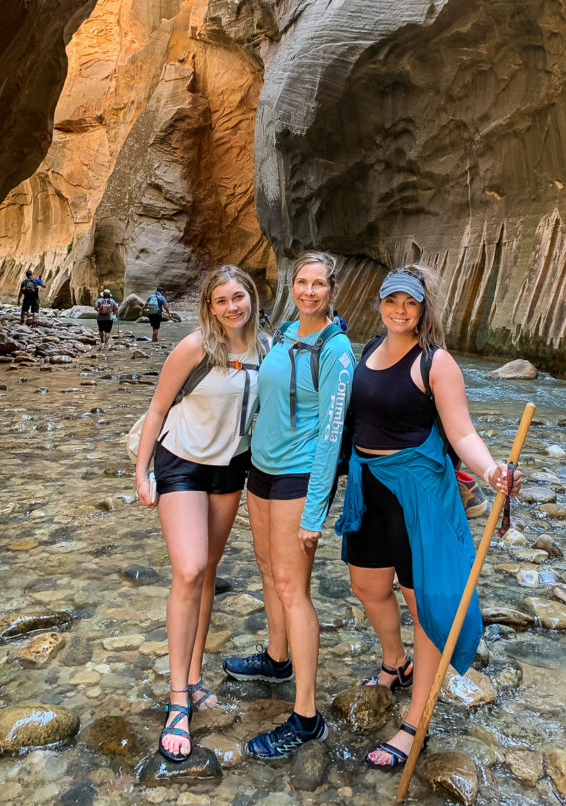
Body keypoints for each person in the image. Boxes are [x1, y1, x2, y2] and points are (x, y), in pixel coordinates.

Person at [335, 264, 522, 770]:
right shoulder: (367, 352)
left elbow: (461, 434)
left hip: (420, 494)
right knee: (368, 587)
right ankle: (395, 663)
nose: (400, 309)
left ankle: (414, 721)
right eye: (392, 300)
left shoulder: (436, 363)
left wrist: (490, 471)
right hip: (369, 489)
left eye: (410, 302)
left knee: (426, 604)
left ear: (423, 309)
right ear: (379, 303)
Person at [222, 251, 355, 759]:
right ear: (292, 286)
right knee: (265, 567)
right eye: (302, 282)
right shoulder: (282, 334)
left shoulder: (337, 350)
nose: (309, 291)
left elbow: (330, 433)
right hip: (262, 471)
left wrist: (316, 509)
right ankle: (277, 658)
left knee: (292, 587)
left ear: (332, 290)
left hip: (299, 479)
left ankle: (306, 716)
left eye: (319, 284)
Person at [135, 265, 267, 763]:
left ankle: (193, 677)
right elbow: (156, 409)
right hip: (182, 464)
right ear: (209, 308)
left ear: (251, 298)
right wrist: (142, 471)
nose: (232, 307)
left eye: (239, 297)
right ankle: (176, 701)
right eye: (221, 300)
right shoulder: (194, 347)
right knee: (188, 570)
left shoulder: (266, 350)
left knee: (208, 572)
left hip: (230, 469)